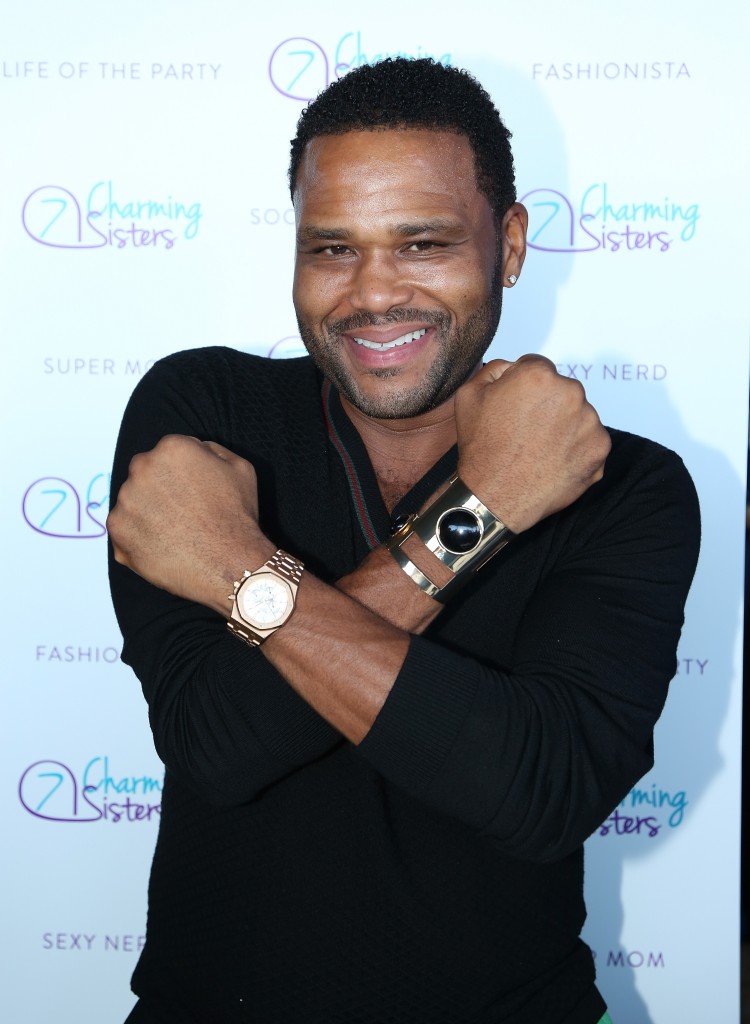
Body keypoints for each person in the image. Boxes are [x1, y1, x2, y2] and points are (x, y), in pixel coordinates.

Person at [107, 57, 700, 1024]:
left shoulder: (623, 483)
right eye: (332, 249)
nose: (372, 295)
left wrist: (239, 572)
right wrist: (487, 507)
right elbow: (217, 744)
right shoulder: (204, 416)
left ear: (508, 244)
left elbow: (539, 789)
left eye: (421, 243)